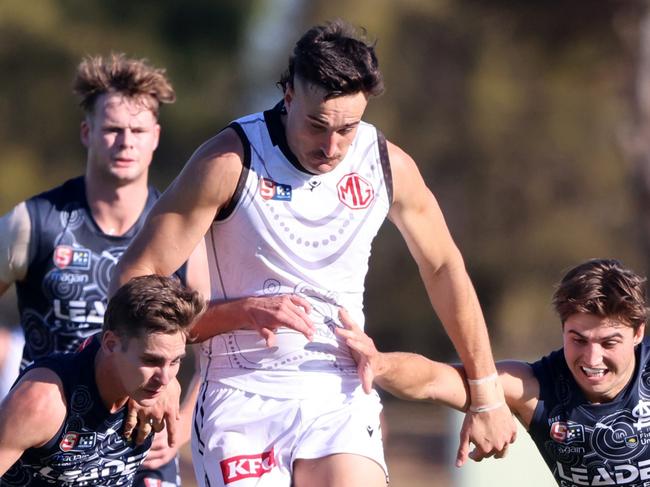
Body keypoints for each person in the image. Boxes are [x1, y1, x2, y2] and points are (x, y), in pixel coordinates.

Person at [112, 20, 515, 486]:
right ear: (288, 97)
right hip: (240, 397)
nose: (332, 146)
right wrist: (228, 322)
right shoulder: (229, 161)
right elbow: (136, 275)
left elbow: (444, 266)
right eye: (317, 125)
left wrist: (486, 397)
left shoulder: (386, 165)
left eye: (347, 128)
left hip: (341, 392)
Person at [0, 53, 207, 487]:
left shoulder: (181, 233)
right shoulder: (35, 221)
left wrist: (183, 420)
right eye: (112, 129)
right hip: (46, 444)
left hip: (140, 441)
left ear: (156, 137)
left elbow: (206, 344)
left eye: (137, 131)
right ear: (87, 132)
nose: (125, 143)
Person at [338, 258, 650, 486]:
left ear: (638, 333)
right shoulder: (538, 389)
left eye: (609, 342)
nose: (592, 358)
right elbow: (435, 380)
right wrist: (379, 363)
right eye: (578, 340)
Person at [0, 275, 204, 486]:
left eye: (175, 361)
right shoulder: (43, 400)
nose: (164, 378)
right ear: (110, 344)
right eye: (151, 360)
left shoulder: (156, 389)